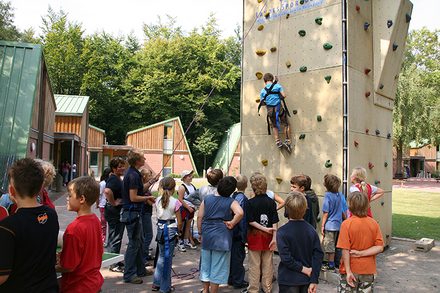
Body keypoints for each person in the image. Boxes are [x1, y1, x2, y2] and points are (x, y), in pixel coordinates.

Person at [0, 158, 59, 292]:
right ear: (40, 188)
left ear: (11, 190)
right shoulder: (51, 215)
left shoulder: (7, 226)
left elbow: (2, 276)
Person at [57, 176, 104, 293]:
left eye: (69, 195)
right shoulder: (95, 220)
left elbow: (69, 266)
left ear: (81, 199)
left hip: (77, 287)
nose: (67, 199)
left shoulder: (73, 229)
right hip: (94, 283)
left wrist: (47, 267)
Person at [197, 176, 244, 293]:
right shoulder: (231, 201)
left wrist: (200, 232)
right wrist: (232, 223)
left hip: (207, 235)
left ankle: (205, 290)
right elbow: (240, 212)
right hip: (222, 237)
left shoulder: (207, 199)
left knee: (206, 265)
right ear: (232, 190)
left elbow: (199, 217)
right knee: (217, 267)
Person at [337, 191, 384, 292]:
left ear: (349, 205)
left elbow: (345, 250)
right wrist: (361, 253)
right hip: (368, 270)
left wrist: (348, 271)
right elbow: (380, 247)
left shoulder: (346, 224)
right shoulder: (373, 223)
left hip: (350, 270)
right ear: (367, 205)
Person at [277, 191, 323, 293]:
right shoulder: (312, 231)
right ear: (305, 209)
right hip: (306, 280)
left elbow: (286, 258)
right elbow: (318, 256)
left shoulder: (282, 232)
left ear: (286, 210)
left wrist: (303, 269)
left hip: (288, 280)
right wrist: (314, 279)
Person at [120, 150, 155, 284]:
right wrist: (148, 197)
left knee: (139, 242)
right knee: (134, 244)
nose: (144, 159)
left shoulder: (133, 173)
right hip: (131, 213)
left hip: (134, 213)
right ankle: (129, 274)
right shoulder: (133, 175)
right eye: (142, 158)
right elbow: (133, 197)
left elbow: (140, 190)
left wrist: (151, 181)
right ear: (137, 160)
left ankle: (141, 270)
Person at [247, 173, 279, 293]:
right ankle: (267, 288)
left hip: (254, 237)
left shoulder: (250, 203)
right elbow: (275, 221)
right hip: (269, 237)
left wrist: (262, 228)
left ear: (253, 187)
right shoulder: (271, 202)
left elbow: (250, 221)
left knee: (254, 265)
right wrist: (274, 237)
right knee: (268, 264)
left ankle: (253, 289)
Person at [152, 177, 183, 292]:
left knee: (161, 257)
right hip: (170, 231)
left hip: (160, 230)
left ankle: (156, 283)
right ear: (174, 188)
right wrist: (178, 232)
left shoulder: (157, 200)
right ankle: (165, 287)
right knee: (167, 259)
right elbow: (179, 222)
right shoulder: (176, 202)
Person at [104, 157, 126, 273]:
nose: (122, 168)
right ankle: (113, 264)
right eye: (120, 166)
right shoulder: (113, 179)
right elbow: (107, 191)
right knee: (115, 238)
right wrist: (114, 202)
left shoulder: (116, 178)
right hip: (114, 212)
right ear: (114, 168)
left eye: (123, 166)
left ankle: (114, 260)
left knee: (114, 236)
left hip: (113, 211)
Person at [321, 174, 347, 271]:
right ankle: (337, 263)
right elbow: (342, 210)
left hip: (330, 226)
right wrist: (346, 220)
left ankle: (330, 265)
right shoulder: (339, 195)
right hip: (338, 225)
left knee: (329, 245)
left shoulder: (327, 196)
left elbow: (325, 213)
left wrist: (323, 225)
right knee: (337, 245)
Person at [259, 73, 292, 150]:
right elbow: (284, 95)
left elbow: (262, 102)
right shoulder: (277, 86)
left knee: (274, 126)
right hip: (278, 108)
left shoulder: (263, 91)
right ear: (272, 79)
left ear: (265, 81)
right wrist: (276, 98)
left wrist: (269, 101)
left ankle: (278, 142)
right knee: (286, 124)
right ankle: (287, 140)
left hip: (270, 111)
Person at [228, 174, 249, 289]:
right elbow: (243, 220)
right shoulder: (243, 200)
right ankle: (238, 280)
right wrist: (244, 236)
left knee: (231, 257)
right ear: (246, 185)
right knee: (238, 258)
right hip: (238, 233)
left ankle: (231, 277)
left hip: (230, 231)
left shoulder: (232, 196)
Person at [140, 168, 160, 264]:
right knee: (148, 235)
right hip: (145, 213)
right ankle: (143, 258)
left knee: (145, 235)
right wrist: (152, 199)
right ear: (144, 177)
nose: (151, 177)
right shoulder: (142, 188)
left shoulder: (145, 188)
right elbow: (149, 202)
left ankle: (144, 254)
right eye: (149, 175)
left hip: (146, 213)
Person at [177, 170, 198, 251]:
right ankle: (179, 241)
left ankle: (186, 240)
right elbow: (180, 199)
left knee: (188, 225)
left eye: (191, 175)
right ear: (184, 177)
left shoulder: (192, 186)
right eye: (189, 176)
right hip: (184, 209)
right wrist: (188, 207)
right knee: (181, 225)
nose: (191, 177)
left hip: (191, 209)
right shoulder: (182, 187)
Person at [97, 167, 111, 244]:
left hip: (104, 205)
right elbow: (99, 195)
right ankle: (104, 239)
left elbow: (98, 195)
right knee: (104, 223)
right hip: (103, 205)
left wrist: (97, 204)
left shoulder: (104, 183)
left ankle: (104, 239)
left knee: (104, 223)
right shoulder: (103, 184)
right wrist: (97, 203)